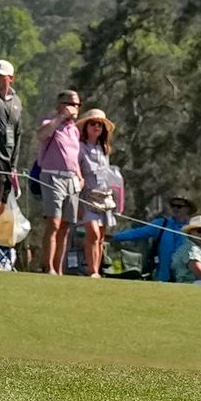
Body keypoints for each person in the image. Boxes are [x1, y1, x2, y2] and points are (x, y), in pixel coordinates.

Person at [32, 89, 84, 275]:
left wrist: (79, 175)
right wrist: (61, 117)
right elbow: (41, 135)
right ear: (60, 104)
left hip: (71, 179)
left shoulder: (74, 131)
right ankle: (48, 266)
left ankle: (58, 267)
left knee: (65, 225)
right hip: (52, 176)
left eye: (77, 104)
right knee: (53, 222)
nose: (75, 108)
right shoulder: (51, 123)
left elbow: (74, 156)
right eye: (71, 103)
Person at [75, 109, 123, 278]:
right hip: (87, 197)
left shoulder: (104, 149)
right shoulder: (80, 148)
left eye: (100, 125)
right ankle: (91, 270)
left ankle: (97, 270)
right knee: (93, 233)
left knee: (101, 237)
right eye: (93, 124)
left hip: (104, 197)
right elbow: (77, 173)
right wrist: (78, 203)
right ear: (86, 126)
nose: (96, 127)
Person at [109, 194, 195, 282]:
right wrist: (115, 237)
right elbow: (138, 232)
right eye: (173, 206)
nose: (175, 209)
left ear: (188, 209)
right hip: (163, 277)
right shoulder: (162, 224)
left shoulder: (195, 228)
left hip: (187, 277)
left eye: (179, 206)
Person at [0, 59, 22, 273]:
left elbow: (18, 134)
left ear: (10, 78)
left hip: (6, 165)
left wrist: (14, 166)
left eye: (1, 76)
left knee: (0, 209)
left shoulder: (16, 102)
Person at [170, 216, 201, 283]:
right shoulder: (190, 248)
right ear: (190, 232)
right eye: (199, 230)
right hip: (191, 285)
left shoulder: (195, 248)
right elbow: (200, 273)